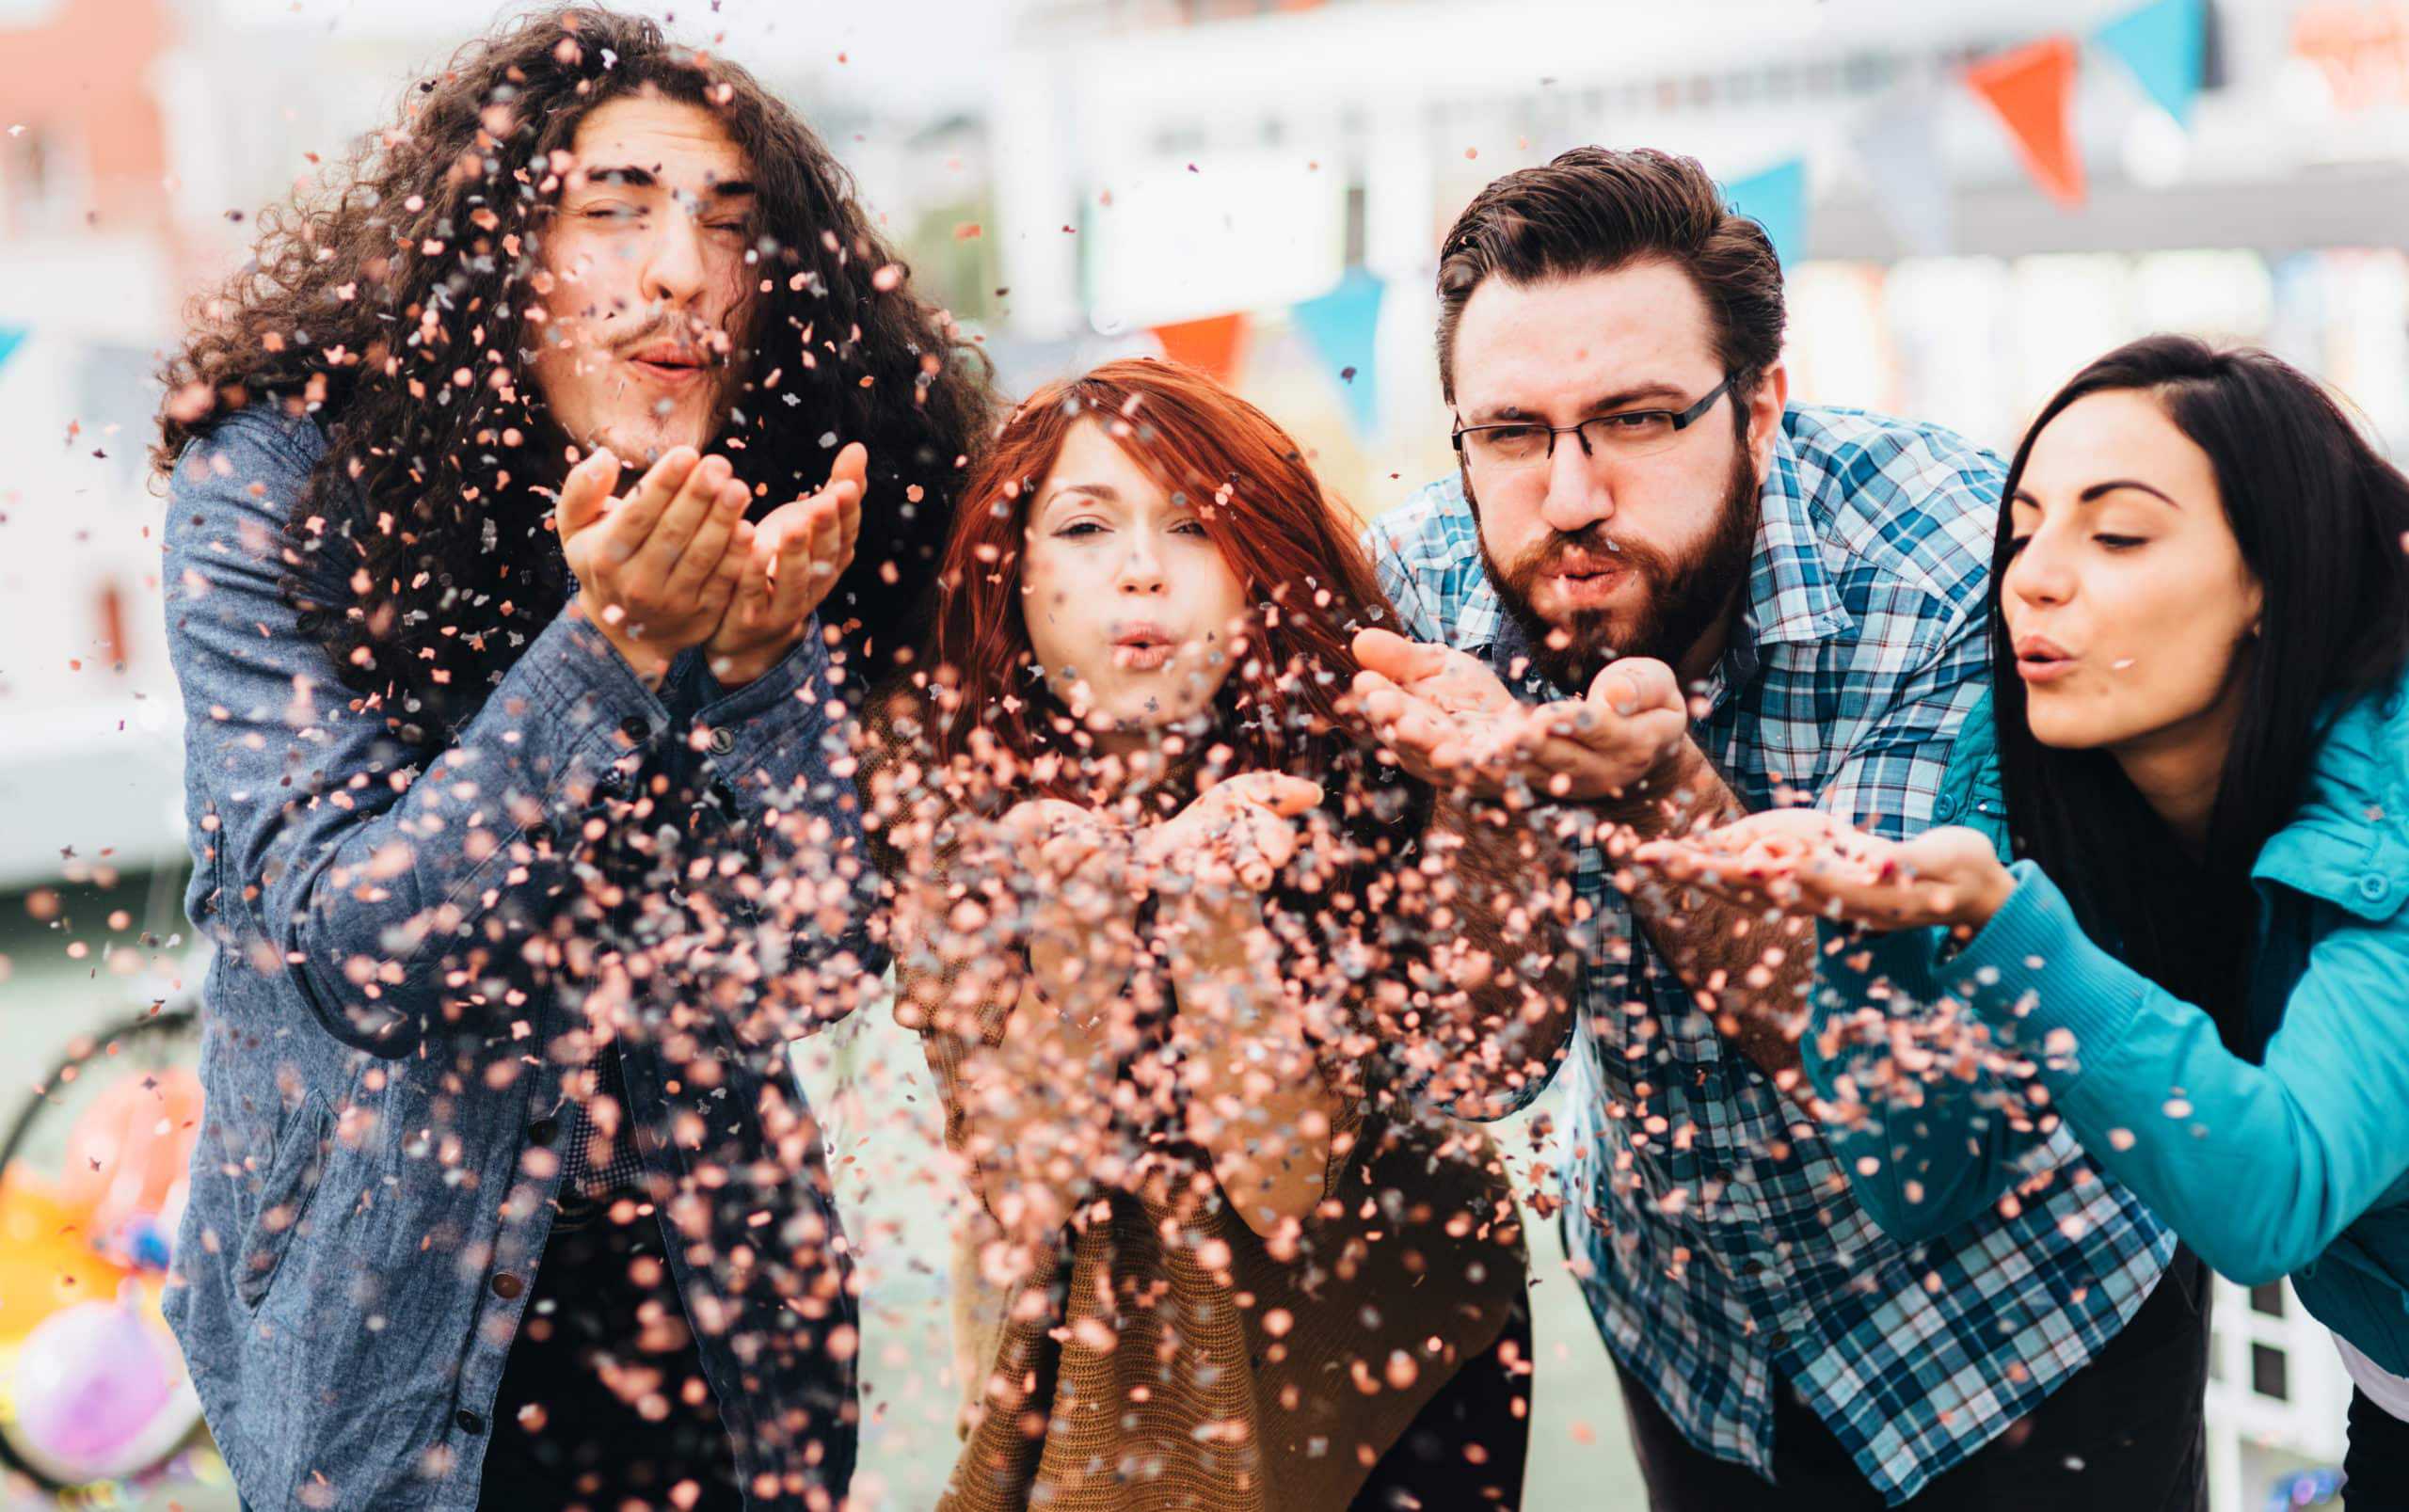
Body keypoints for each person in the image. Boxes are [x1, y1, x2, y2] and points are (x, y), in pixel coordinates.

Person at [152, 8, 992, 1508]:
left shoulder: (785, 487)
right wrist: (602, 652)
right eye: (612, 210)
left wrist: (753, 672)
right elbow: (369, 957)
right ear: (488, 245)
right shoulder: (275, 480)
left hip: (726, 1358)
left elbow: (810, 962)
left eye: (728, 225)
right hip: (381, 1362)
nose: (681, 267)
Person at [1352, 147, 2208, 1507]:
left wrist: (1664, 798)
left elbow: (1910, 1106)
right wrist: (1481, 813)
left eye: (1634, 419)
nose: (1569, 495)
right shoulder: (1422, 590)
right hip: (1690, 1333)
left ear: (1760, 409)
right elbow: (1483, 1060)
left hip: (2019, 1322)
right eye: (1512, 433)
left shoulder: (1958, 577)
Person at [1635, 336, 2409, 1508]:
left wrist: (2002, 923)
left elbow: (2271, 1191)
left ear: (2275, 577)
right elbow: (1922, 1172)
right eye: (2024, 528)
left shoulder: (2391, 801)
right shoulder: (2015, 774)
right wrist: (1868, 926)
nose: (2032, 579)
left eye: (2116, 534)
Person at [854, 358, 1561, 1510]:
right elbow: (1023, 1179)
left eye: (1192, 525)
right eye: (1084, 525)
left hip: (1400, 1354)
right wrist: (1078, 925)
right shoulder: (948, 797)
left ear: (1253, 573)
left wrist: (1211, 903)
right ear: (1010, 570)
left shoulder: (1335, 770)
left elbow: (1283, 1184)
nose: (1140, 568)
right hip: (1098, 1369)